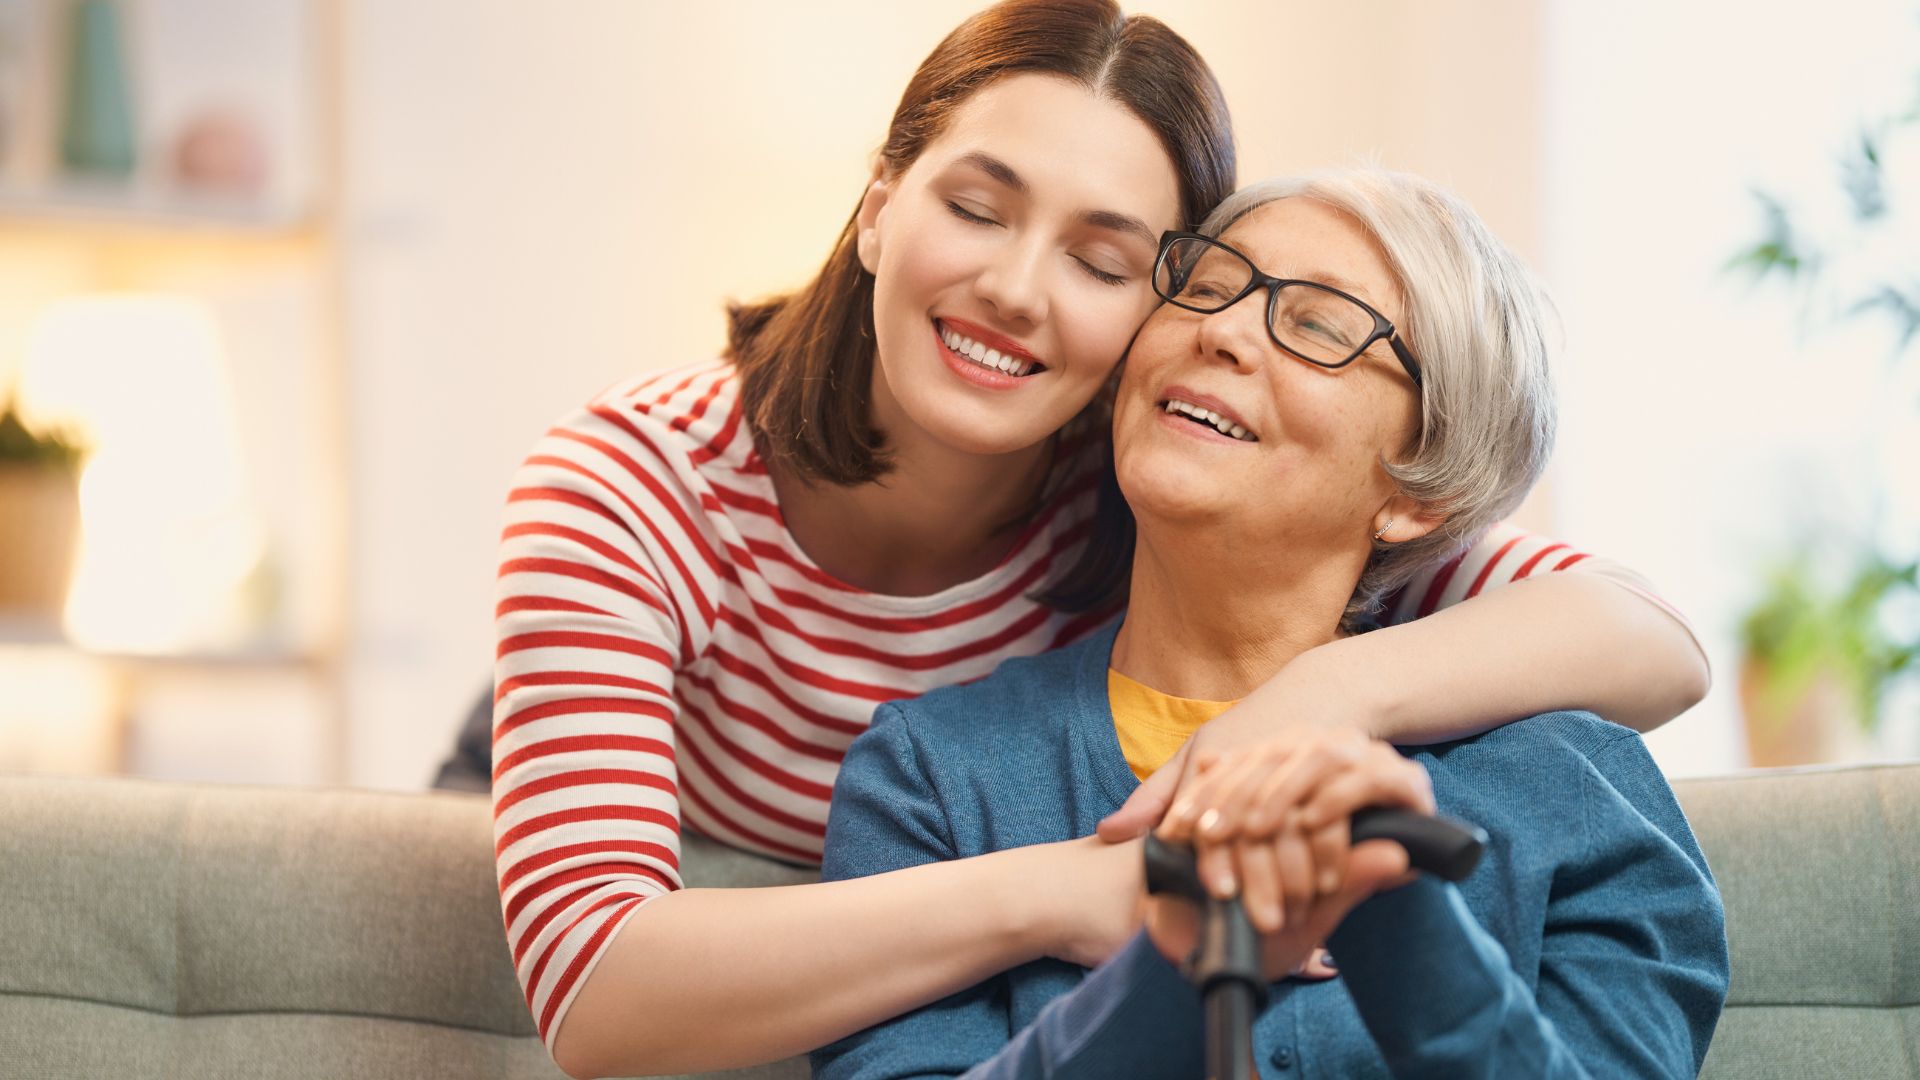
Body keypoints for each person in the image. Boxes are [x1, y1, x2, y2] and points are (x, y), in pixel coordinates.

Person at [485, 3, 1711, 1076]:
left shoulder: (1160, 476)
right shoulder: (658, 507)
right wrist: (1115, 898)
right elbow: (596, 983)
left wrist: (1314, 712)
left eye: (1107, 259)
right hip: (660, 777)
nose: (1020, 291)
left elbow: (1646, 633)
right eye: (975, 207)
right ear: (874, 211)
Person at [812, 168, 1729, 1079]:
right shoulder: (928, 775)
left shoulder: (1575, 786)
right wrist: (1177, 963)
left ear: (1419, 493)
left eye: (1321, 325)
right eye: (1206, 285)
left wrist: (1394, 910)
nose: (1222, 330)